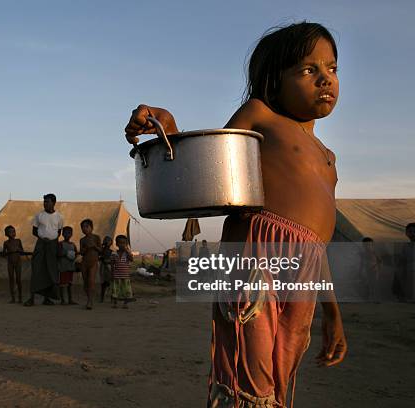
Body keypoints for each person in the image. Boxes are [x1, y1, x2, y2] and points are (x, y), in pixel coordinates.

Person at [124, 22, 347, 407]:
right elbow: (204, 165)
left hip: (304, 272)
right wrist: (169, 128)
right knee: (248, 380)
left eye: (332, 68)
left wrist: (332, 311)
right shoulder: (259, 115)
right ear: (274, 81)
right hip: (253, 260)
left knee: (280, 378)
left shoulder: (328, 157)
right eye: (309, 70)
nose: (325, 79)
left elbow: (318, 245)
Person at [24, 193, 63, 306]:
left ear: (54, 202)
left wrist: (52, 239)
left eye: (47, 201)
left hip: (53, 245)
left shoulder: (59, 217)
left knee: (50, 270)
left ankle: (47, 298)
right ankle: (31, 298)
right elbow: (34, 231)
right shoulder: (39, 215)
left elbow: (58, 232)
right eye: (44, 201)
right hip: (41, 244)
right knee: (37, 269)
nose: (45, 204)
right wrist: (43, 238)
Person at [396, 223, 415, 318]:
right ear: (406, 233)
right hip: (412, 273)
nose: (412, 234)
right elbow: (403, 260)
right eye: (410, 232)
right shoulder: (406, 247)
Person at [2, 225, 31, 303]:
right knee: (11, 279)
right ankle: (13, 298)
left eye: (13, 231)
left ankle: (20, 297)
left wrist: (18, 250)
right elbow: (3, 254)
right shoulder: (6, 243)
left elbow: (22, 251)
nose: (12, 233)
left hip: (18, 262)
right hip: (10, 263)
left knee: (18, 279)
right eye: (10, 232)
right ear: (6, 234)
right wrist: (10, 252)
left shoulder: (18, 241)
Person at [79, 219, 101, 310]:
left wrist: (94, 246)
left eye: (86, 227)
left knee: (91, 281)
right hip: (84, 263)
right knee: (85, 283)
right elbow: (81, 252)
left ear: (91, 228)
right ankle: (88, 299)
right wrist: (87, 249)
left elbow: (101, 250)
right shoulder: (82, 240)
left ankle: (90, 301)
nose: (85, 229)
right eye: (83, 227)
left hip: (93, 262)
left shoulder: (96, 238)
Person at [110, 235, 134, 309]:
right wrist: (112, 273)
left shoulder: (127, 254)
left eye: (124, 243)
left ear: (126, 244)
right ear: (117, 244)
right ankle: (115, 303)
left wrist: (127, 251)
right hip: (116, 275)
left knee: (126, 290)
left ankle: (125, 303)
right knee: (115, 290)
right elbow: (112, 264)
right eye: (120, 243)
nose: (122, 244)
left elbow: (131, 259)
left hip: (125, 275)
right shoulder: (114, 253)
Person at [58, 226, 79, 305]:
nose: (67, 235)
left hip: (70, 267)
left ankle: (70, 299)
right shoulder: (60, 244)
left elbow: (76, 253)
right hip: (63, 267)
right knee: (62, 284)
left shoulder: (73, 244)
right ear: (63, 234)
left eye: (69, 233)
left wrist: (73, 256)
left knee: (70, 284)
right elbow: (58, 254)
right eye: (66, 233)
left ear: (71, 234)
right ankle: (63, 300)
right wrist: (66, 253)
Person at [361, 237, 382, 302]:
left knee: (375, 284)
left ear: (372, 245)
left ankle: (376, 298)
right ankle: (367, 298)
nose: (367, 246)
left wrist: (378, 268)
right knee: (367, 284)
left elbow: (380, 261)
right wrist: (361, 270)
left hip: (374, 271)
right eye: (365, 245)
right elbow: (361, 263)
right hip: (366, 271)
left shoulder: (374, 252)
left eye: (369, 245)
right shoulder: (363, 253)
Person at [99, 236, 113, 302]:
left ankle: (107, 296)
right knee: (104, 283)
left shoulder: (111, 251)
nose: (108, 243)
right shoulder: (101, 250)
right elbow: (99, 257)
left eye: (109, 241)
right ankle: (102, 297)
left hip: (109, 267)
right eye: (107, 241)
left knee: (108, 282)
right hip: (104, 267)